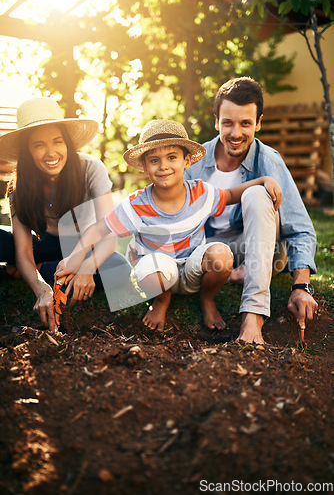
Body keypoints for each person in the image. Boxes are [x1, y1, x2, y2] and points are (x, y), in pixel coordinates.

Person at [55, 119, 282, 333]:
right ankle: (161, 301)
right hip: (158, 274)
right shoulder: (136, 205)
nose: (163, 166)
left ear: (187, 161)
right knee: (152, 269)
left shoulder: (201, 192)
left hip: (194, 270)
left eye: (172, 157)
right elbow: (98, 229)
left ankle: (207, 299)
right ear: (144, 166)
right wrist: (75, 258)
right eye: (154, 160)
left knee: (222, 255)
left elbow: (232, 194)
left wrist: (263, 181)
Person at [184, 77, 318, 344]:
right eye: (228, 123)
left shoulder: (269, 161)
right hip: (211, 252)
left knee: (257, 193)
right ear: (216, 121)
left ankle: (253, 317)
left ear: (258, 122)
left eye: (246, 123)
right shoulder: (194, 163)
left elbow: (300, 229)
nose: (236, 133)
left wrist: (301, 286)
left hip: (260, 245)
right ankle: (234, 273)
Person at [0, 96, 130, 332]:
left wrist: (88, 267)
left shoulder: (91, 168)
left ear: (67, 143)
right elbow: (22, 250)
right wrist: (42, 288)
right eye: (39, 145)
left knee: (119, 269)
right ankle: (35, 269)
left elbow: (109, 236)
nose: (51, 152)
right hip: (40, 244)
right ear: (28, 151)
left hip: (81, 246)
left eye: (57, 141)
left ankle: (20, 271)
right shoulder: (18, 187)